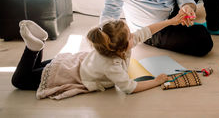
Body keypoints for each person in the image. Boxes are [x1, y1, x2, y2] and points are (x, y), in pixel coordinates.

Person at [12, 15, 183, 99]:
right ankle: (32, 48)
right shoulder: (113, 64)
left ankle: (37, 45)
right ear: (122, 47)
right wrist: (157, 81)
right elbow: (129, 88)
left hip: (72, 63)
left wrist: (171, 21)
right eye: (131, 36)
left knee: (34, 69)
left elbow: (147, 31)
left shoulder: (114, 46)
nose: (135, 36)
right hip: (68, 74)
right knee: (20, 81)